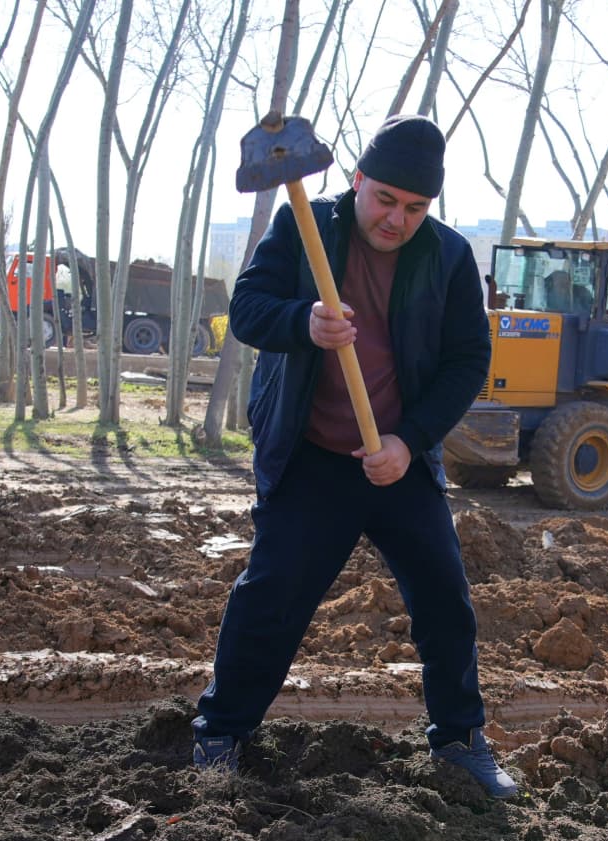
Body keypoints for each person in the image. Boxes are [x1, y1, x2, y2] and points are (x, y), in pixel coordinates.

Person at [192, 114, 517, 798]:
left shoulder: (449, 257)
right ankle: (220, 734)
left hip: (397, 460)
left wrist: (410, 440)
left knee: (445, 602)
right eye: (385, 199)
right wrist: (303, 321)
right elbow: (248, 307)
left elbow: (468, 361)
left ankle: (460, 740)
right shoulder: (307, 228)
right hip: (311, 456)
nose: (396, 219)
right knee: (271, 598)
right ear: (359, 181)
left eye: (414, 208)